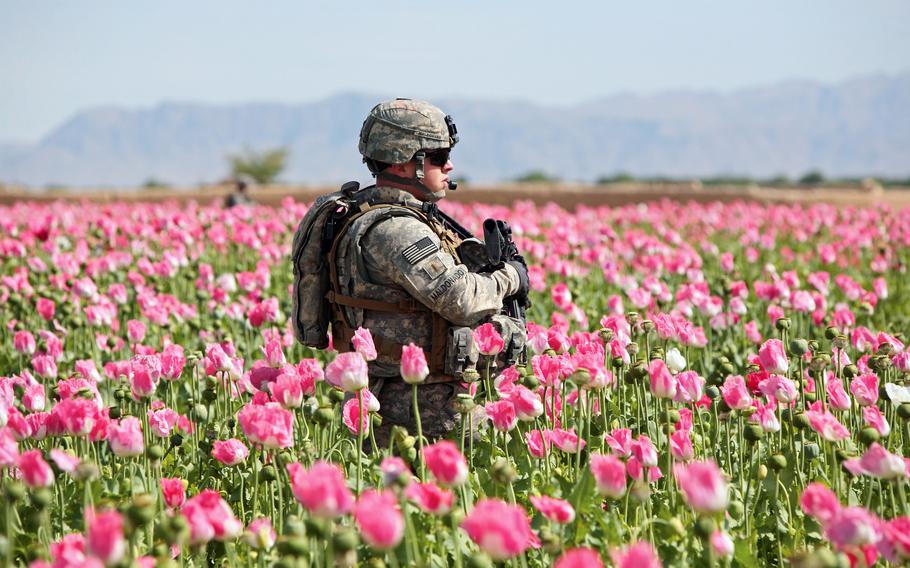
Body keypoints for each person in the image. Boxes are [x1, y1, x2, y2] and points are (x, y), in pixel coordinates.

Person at [326, 98, 529, 447]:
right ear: (406, 163)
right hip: (417, 410)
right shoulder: (397, 229)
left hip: (404, 399)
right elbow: (460, 299)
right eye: (437, 157)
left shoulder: (379, 213)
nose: (449, 166)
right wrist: (510, 278)